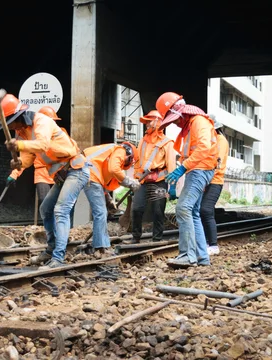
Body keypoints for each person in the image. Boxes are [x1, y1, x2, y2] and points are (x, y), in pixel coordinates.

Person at [0, 95, 87, 269]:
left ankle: (58, 258)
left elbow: (42, 145)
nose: (10, 128)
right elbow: (29, 158)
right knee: (45, 209)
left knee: (60, 210)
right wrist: (19, 163)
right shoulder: (22, 132)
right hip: (61, 175)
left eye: (9, 124)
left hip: (76, 169)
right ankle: (51, 250)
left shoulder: (41, 121)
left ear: (16, 117)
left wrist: (19, 146)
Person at [156, 92, 218, 268]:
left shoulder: (199, 122)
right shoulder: (191, 126)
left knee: (183, 208)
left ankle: (187, 256)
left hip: (201, 169)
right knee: (193, 213)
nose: (175, 122)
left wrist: (183, 168)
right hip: (197, 170)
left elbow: (204, 148)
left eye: (174, 119)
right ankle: (201, 257)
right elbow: (189, 154)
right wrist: (177, 177)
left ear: (181, 112)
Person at [81, 141, 140, 257]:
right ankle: (100, 247)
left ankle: (100, 244)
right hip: (89, 175)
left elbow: (102, 181)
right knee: (100, 212)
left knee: (101, 212)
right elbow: (114, 170)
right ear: (130, 156)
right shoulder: (120, 150)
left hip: (89, 174)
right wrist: (130, 183)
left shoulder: (108, 155)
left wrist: (108, 199)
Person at [130, 110, 176, 244]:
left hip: (159, 181)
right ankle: (135, 237)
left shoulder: (167, 143)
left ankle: (156, 239)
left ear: (157, 123)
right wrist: (135, 179)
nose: (146, 125)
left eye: (149, 122)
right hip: (143, 180)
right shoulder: (143, 141)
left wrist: (172, 185)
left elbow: (171, 165)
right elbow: (138, 161)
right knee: (137, 208)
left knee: (158, 210)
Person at [200, 115, 228, 255]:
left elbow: (218, 162)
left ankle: (213, 245)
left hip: (215, 181)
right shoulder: (210, 141)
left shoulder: (220, 140)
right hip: (206, 180)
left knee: (206, 210)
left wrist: (205, 178)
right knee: (200, 211)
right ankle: (204, 242)